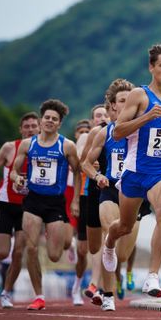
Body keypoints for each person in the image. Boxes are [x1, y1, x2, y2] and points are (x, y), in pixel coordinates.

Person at [102, 42, 161, 297]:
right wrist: (146, 117)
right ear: (151, 67)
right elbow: (118, 131)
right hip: (135, 171)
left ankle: (152, 276)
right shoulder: (139, 96)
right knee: (125, 227)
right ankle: (110, 241)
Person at [83, 79, 150, 311]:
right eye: (123, 100)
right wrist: (97, 176)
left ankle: (115, 277)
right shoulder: (104, 133)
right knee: (108, 233)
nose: (128, 103)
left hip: (135, 192)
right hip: (110, 189)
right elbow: (86, 163)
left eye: (130, 99)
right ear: (113, 106)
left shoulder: (143, 130)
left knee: (122, 255)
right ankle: (107, 294)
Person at [10, 99, 82, 310]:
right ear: (41, 121)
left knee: (53, 254)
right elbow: (14, 170)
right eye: (47, 118)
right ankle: (39, 296)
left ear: (59, 124)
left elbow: (78, 172)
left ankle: (56, 236)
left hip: (56, 204)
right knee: (31, 249)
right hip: (33, 200)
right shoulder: (28, 144)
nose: (50, 121)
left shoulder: (66, 146)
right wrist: (16, 178)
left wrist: (76, 200)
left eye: (54, 119)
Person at [0, 112, 40, 308]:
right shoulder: (9, 148)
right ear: (20, 129)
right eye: (27, 126)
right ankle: (5, 285)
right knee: (2, 253)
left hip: (28, 207)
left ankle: (6, 292)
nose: (30, 129)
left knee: (18, 253)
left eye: (34, 126)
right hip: (6, 205)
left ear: (39, 128)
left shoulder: (44, 149)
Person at [78, 105, 109, 305]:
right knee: (92, 246)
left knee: (110, 238)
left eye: (105, 114)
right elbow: (82, 161)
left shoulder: (117, 133)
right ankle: (100, 282)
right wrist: (93, 165)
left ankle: (98, 285)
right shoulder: (87, 137)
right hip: (89, 191)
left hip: (111, 189)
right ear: (91, 120)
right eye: (98, 115)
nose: (102, 117)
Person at [70, 119, 91, 306]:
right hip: (67, 196)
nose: (84, 133)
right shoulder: (68, 148)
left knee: (83, 251)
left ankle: (77, 286)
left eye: (87, 130)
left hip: (85, 195)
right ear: (76, 134)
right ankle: (68, 241)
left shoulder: (93, 144)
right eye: (81, 131)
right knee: (60, 247)